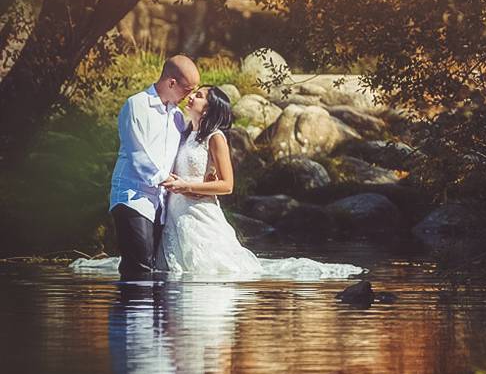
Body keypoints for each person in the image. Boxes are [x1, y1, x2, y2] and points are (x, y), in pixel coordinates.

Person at [155, 85, 362, 278]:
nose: (190, 96)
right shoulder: (183, 134)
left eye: (198, 96)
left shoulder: (215, 138)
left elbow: (227, 185)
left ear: (209, 109)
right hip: (175, 213)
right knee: (176, 271)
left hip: (198, 212)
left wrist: (186, 186)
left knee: (211, 271)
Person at [108, 55, 200, 278]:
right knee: (139, 266)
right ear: (171, 83)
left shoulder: (177, 116)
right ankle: (132, 309)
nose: (189, 96)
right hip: (133, 196)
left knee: (152, 266)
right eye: (187, 89)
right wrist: (165, 179)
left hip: (161, 202)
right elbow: (138, 153)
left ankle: (141, 311)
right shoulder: (137, 105)